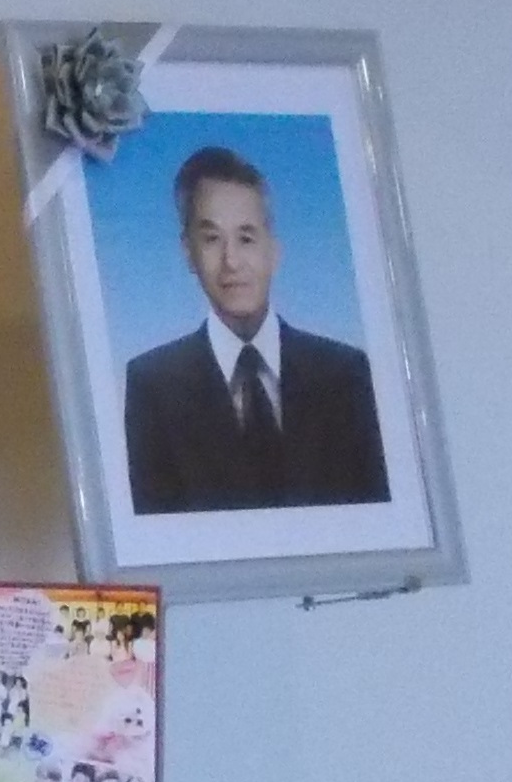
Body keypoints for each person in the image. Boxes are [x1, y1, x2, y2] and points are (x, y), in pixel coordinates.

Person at [119, 146, 389, 513]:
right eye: (212, 239)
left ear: (274, 251)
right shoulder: (152, 384)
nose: (231, 261)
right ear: (187, 252)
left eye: (246, 238)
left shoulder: (345, 374)